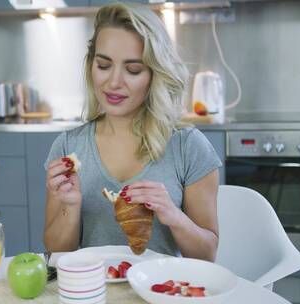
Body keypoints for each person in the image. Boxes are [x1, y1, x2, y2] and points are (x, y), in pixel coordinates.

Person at [43, 2, 222, 261]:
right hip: (91, 294)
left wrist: (173, 215)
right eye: (104, 66)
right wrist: (69, 208)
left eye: (133, 70)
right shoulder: (67, 147)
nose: (114, 82)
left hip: (160, 294)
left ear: (153, 74)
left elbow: (208, 256)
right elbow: (56, 253)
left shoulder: (188, 146)